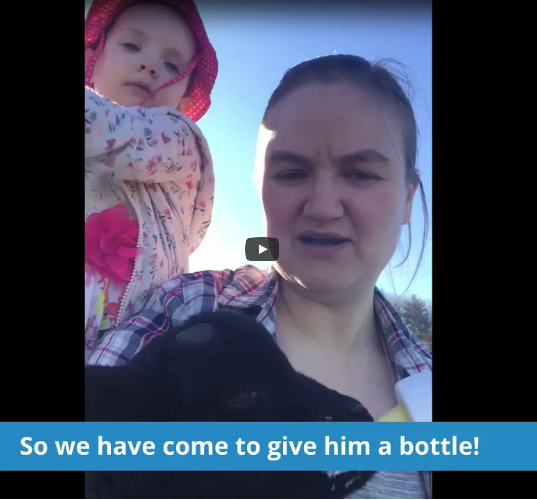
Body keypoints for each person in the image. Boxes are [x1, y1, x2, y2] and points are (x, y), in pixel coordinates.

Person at [88, 54, 433, 499]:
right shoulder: (182, 311)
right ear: (260, 186)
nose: (323, 206)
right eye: (291, 173)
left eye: (360, 174)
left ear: (407, 200)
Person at [84, 0, 218, 359]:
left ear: (184, 98)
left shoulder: (178, 139)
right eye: (131, 45)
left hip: (134, 356)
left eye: (171, 64)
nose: (149, 64)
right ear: (93, 60)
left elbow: (110, 132)